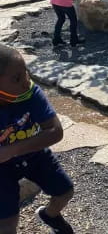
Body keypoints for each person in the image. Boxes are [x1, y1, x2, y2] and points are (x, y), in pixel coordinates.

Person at [0, 45, 74, 234]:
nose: (25, 81)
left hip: (34, 155)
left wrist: (11, 150)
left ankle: (50, 216)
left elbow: (56, 131)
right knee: (7, 224)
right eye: (16, 78)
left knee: (65, 192)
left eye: (25, 71)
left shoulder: (31, 94)